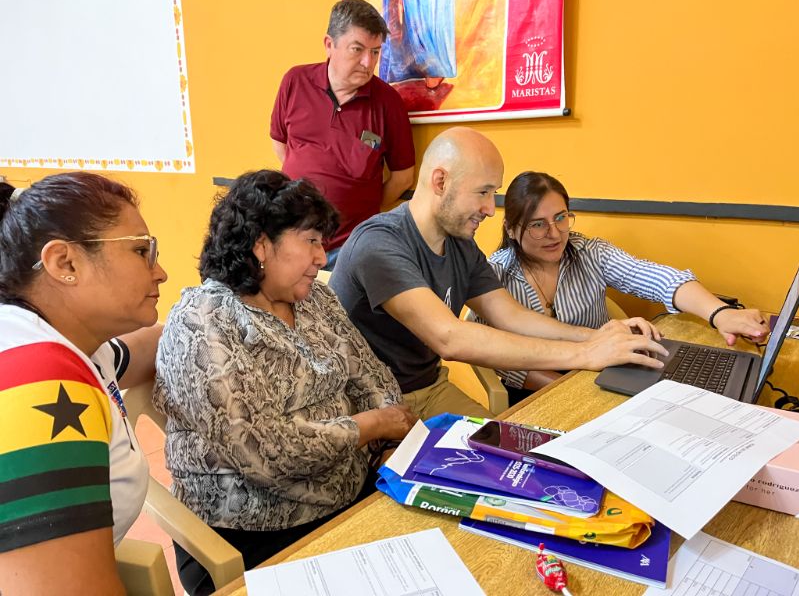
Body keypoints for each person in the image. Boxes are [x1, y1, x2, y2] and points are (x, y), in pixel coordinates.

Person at [154, 170, 416, 595]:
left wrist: (388, 445)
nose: (322, 256)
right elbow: (265, 453)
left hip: (351, 496)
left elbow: (372, 378)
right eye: (311, 240)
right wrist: (374, 426)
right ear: (261, 244)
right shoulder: (205, 320)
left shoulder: (314, 299)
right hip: (255, 531)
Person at [329, 127, 669, 421]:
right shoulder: (378, 242)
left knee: (512, 461)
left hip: (430, 390)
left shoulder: (460, 244)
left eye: (493, 193)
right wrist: (584, 354)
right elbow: (450, 338)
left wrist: (592, 337)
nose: (491, 209)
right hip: (365, 405)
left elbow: (510, 316)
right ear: (440, 181)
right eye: (483, 192)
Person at [0, 172, 168, 594]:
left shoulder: (78, 346)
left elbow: (144, 348)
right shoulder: (38, 377)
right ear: (65, 263)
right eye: (141, 251)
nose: (161, 272)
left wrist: (211, 318)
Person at [475, 171, 769, 404]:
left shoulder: (590, 252)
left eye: (561, 218)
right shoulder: (494, 274)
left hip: (606, 374)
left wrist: (720, 313)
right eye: (538, 225)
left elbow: (660, 279)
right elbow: (503, 361)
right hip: (537, 391)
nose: (554, 234)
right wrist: (577, 388)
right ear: (511, 229)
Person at [270, 0, 415, 269]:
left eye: (375, 52)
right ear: (329, 45)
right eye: (357, 49)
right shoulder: (295, 81)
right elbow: (281, 144)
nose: (367, 62)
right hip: (290, 238)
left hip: (350, 249)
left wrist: (364, 211)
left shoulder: (388, 102)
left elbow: (403, 176)